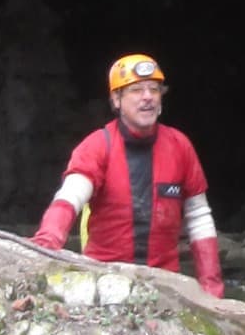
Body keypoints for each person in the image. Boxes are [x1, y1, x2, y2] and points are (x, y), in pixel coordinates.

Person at [33, 53, 225, 294]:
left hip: (166, 286)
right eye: (136, 90)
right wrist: (47, 242)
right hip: (105, 280)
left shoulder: (180, 146)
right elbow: (71, 195)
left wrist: (212, 287)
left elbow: (198, 216)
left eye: (154, 90)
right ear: (116, 99)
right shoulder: (97, 146)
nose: (147, 98)